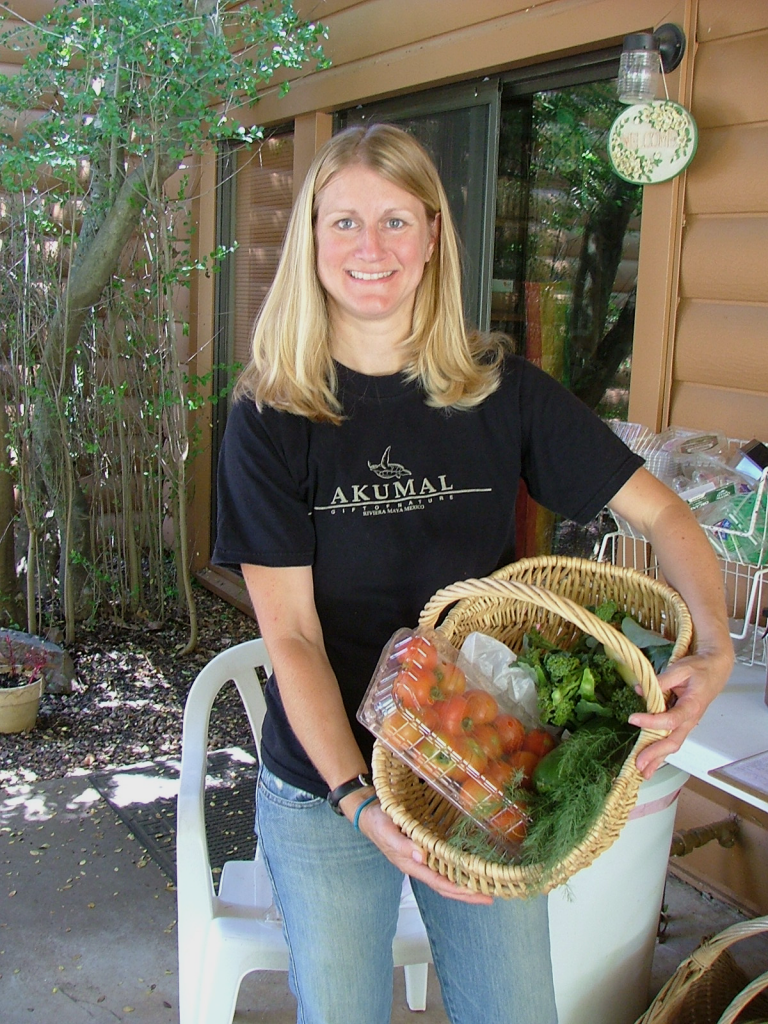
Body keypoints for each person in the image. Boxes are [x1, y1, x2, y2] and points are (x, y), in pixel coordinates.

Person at [213, 123, 734, 1024]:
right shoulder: (272, 416)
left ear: (432, 239)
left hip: (483, 771)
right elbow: (290, 636)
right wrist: (356, 801)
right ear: (309, 240)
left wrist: (716, 647)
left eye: (394, 222)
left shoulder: (501, 390)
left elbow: (662, 513)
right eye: (342, 224)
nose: (369, 249)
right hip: (326, 783)